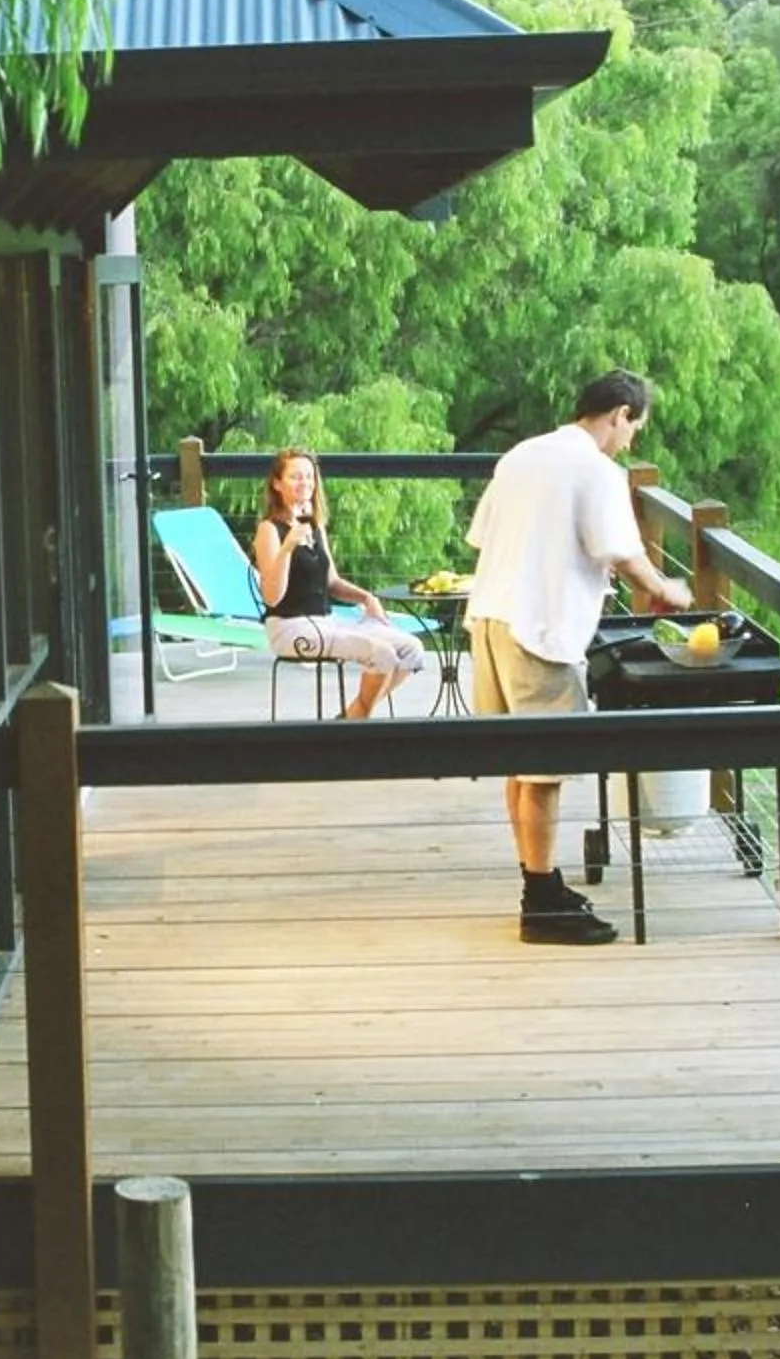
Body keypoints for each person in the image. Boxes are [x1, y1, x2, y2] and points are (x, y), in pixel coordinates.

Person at [463, 370, 695, 944]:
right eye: (632, 428)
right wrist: (669, 590)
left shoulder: (522, 454)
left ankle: (539, 882)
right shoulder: (596, 469)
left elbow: (483, 536)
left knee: (519, 764)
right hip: (538, 629)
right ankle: (541, 907)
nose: (629, 441)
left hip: (490, 617)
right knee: (544, 770)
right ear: (619, 413)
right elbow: (622, 553)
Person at [252, 446, 428, 720]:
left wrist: (366, 598)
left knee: (411, 649)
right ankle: (354, 725)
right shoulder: (269, 530)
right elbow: (272, 597)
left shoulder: (315, 526)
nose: (305, 483)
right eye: (295, 477)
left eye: (309, 476)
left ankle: (350, 719)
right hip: (290, 629)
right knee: (381, 654)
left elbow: (331, 581)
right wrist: (287, 548)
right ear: (277, 484)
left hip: (326, 622)